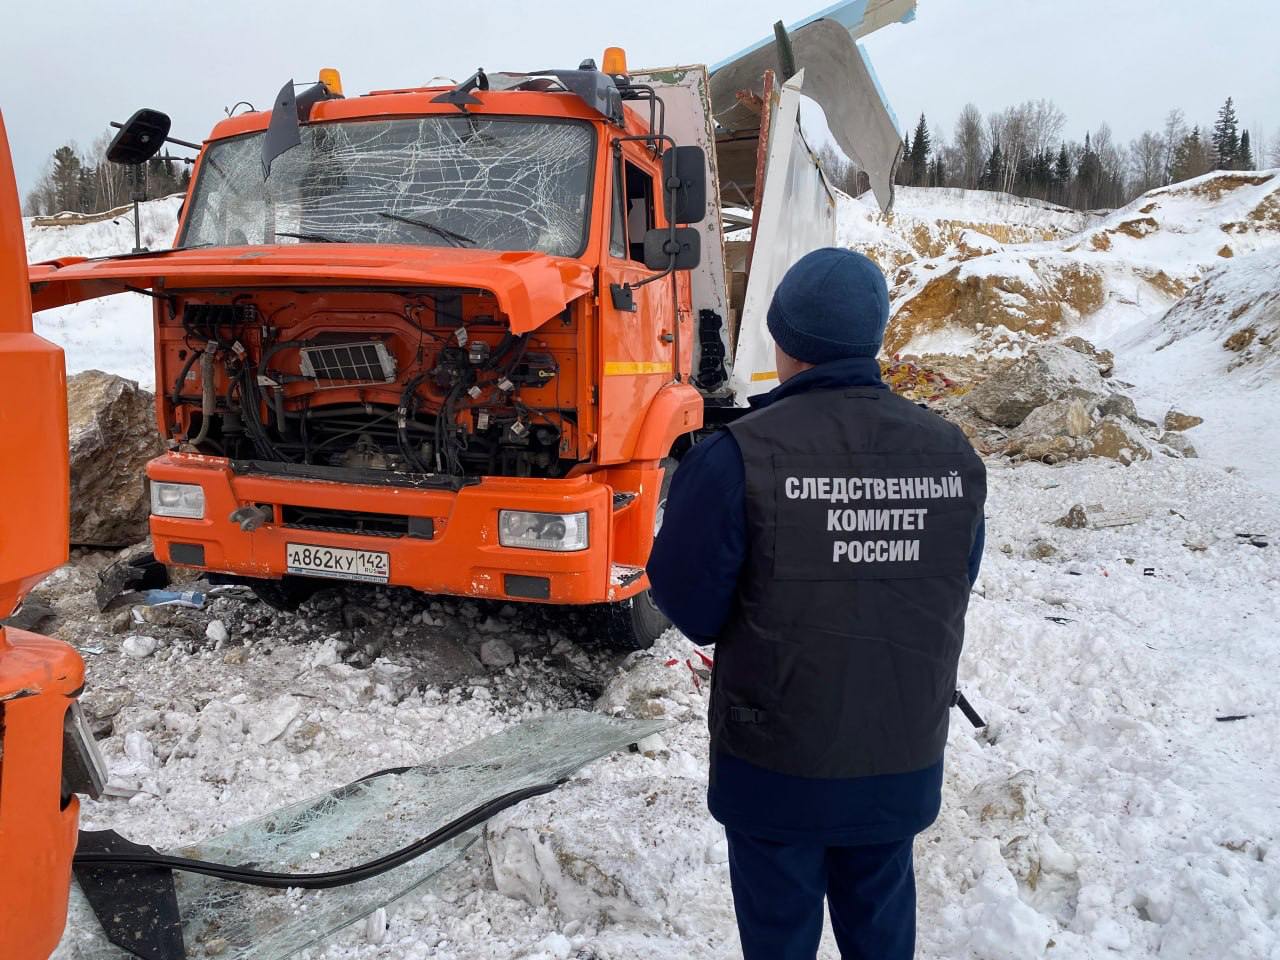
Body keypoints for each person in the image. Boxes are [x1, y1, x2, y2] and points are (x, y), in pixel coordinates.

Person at [647, 248, 986, 960]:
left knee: (778, 935)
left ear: (783, 338)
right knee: (882, 922)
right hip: (898, 753)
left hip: (777, 767)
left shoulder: (739, 455)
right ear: (874, 337)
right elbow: (951, 581)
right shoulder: (952, 455)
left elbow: (690, 604)